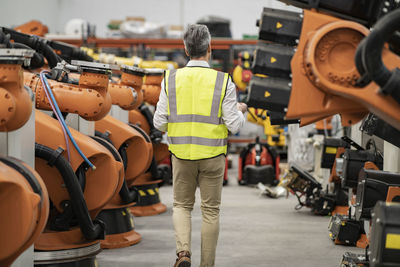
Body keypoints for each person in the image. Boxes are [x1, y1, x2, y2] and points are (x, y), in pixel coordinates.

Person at [153, 24, 247, 267]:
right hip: (213, 155)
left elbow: (159, 122)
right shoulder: (223, 82)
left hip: (181, 155)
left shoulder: (170, 80)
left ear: (185, 49)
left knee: (182, 206)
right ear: (210, 49)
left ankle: (183, 254)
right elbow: (234, 125)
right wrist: (240, 111)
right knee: (210, 211)